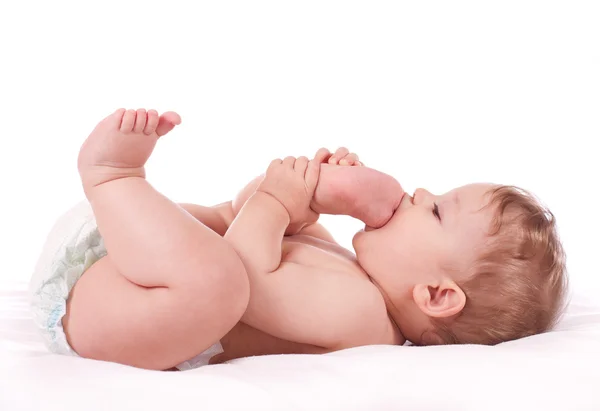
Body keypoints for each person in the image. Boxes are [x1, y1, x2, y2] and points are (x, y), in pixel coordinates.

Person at [29, 108, 568, 371]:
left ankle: (112, 178)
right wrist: (310, 202)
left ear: (436, 295)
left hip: (115, 316)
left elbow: (247, 272)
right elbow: (248, 218)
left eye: (435, 210)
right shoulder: (352, 277)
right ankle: (122, 202)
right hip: (129, 278)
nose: (421, 190)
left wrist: (280, 204)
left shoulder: (364, 320)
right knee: (224, 220)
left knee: (220, 280)